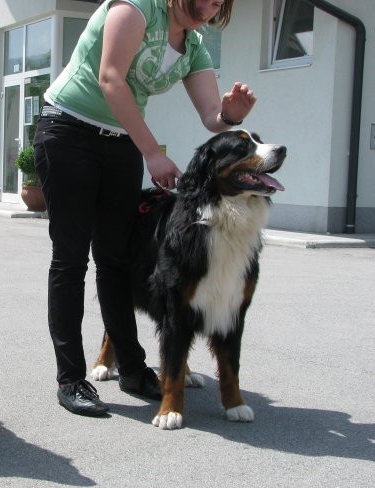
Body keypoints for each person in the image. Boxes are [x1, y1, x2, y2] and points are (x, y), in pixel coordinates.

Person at [33, 0, 256, 416]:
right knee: (70, 259)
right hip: (68, 131)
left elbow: (212, 115)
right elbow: (111, 78)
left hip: (119, 142)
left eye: (220, 2)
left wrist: (229, 114)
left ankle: (133, 369)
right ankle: (71, 379)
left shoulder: (193, 46)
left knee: (115, 259)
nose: (210, 7)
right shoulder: (136, 9)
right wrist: (153, 153)